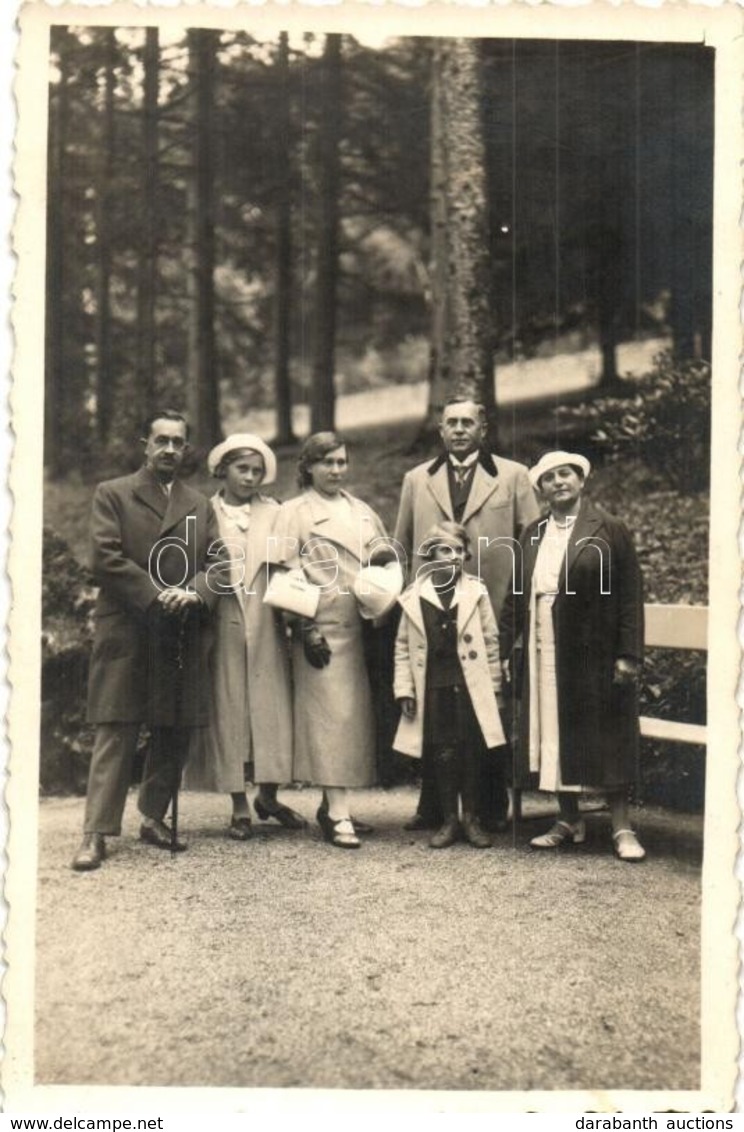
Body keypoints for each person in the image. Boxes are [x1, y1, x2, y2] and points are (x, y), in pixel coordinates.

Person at [71, 410, 218, 871]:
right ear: (145, 445)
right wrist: (157, 596)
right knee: (117, 727)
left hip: (179, 629)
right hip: (129, 626)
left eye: (178, 442)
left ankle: (153, 816)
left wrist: (194, 592)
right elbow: (104, 557)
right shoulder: (113, 494)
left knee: (173, 727)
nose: (170, 449)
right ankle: (95, 832)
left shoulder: (199, 502)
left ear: (186, 448)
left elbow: (218, 562)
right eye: (162, 441)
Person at [393, 395, 539, 833]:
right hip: (433, 611)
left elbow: (531, 545)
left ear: (483, 429)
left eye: (467, 423)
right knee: (437, 712)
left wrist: (519, 612)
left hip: (490, 610)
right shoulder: (417, 479)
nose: (459, 429)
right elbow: (400, 547)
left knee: (483, 713)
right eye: (451, 423)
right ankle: (434, 807)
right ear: (440, 430)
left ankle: (489, 807)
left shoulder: (512, 477)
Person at [498, 450, 646, 861]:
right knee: (551, 729)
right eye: (549, 478)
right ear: (540, 489)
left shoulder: (609, 528)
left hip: (593, 652)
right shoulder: (532, 532)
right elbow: (515, 595)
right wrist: (507, 647)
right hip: (543, 645)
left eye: (566, 474)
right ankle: (568, 819)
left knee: (607, 733)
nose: (558, 482)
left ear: (581, 481)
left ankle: (622, 828)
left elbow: (630, 595)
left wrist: (628, 653)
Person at [272, 432, 391, 849]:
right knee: (332, 720)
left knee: (352, 719)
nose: (337, 470)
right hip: (322, 626)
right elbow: (282, 570)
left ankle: (333, 805)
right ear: (308, 467)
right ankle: (337, 813)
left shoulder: (361, 511)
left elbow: (385, 558)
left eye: (341, 462)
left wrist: (384, 592)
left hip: (361, 626)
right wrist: (303, 626)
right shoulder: (292, 512)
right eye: (327, 463)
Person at [183, 433, 305, 839]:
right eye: (242, 469)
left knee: (271, 708)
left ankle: (268, 794)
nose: (250, 477)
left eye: (257, 471)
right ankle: (238, 805)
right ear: (223, 470)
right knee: (229, 709)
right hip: (222, 619)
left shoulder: (275, 512)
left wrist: (293, 608)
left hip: (267, 618)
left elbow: (292, 563)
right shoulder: (204, 511)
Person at [393, 522, 506, 849]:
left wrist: (495, 687)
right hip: (434, 684)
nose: (454, 557)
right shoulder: (415, 596)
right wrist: (405, 690)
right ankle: (448, 819)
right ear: (430, 554)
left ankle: (471, 817)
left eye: (459, 551)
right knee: (442, 750)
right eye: (446, 550)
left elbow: (490, 640)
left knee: (471, 748)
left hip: (469, 684)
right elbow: (402, 646)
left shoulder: (476, 591)